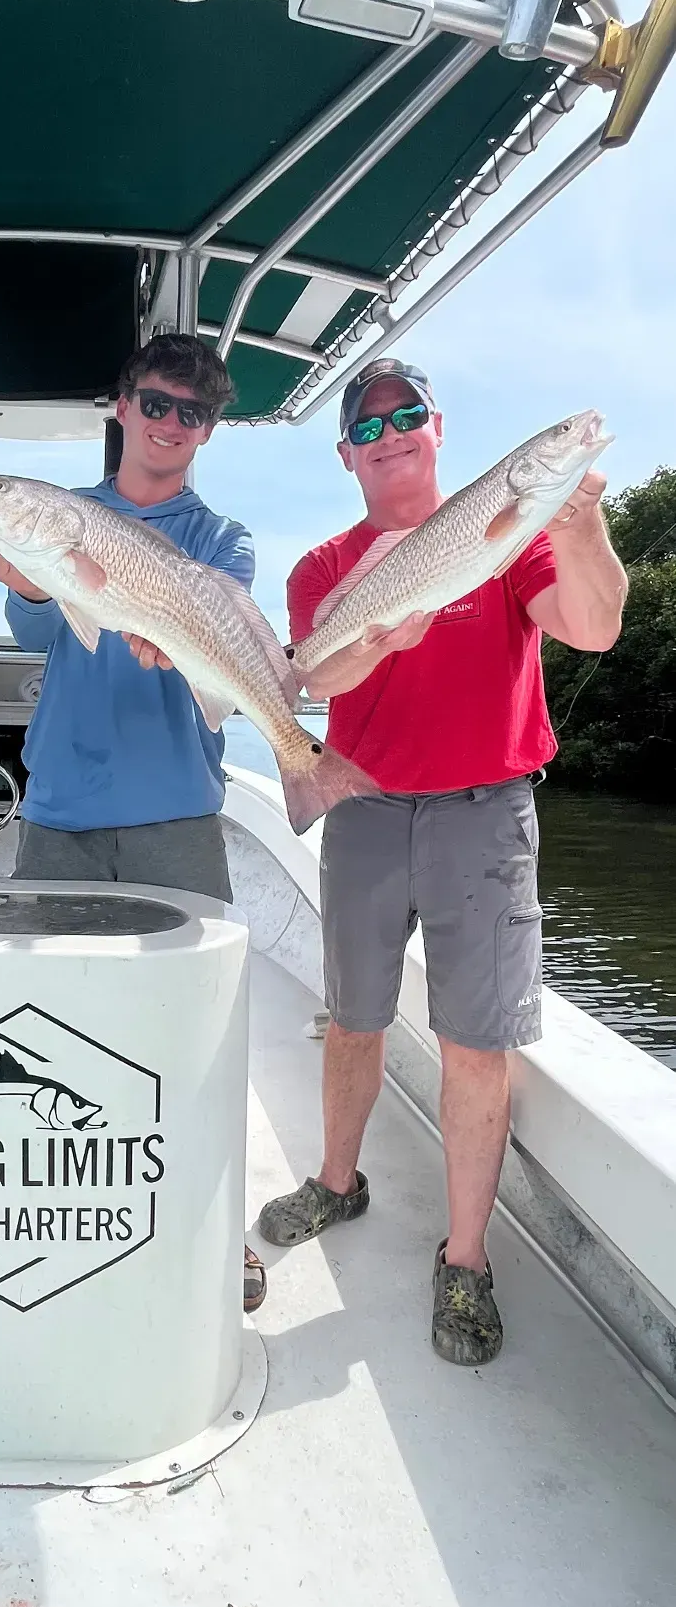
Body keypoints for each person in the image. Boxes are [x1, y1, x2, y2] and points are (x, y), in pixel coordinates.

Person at [257, 357, 628, 1363]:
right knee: (354, 1017)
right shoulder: (323, 565)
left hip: (484, 813)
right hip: (367, 811)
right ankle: (338, 1181)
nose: (390, 433)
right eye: (369, 425)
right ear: (347, 454)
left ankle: (465, 1257)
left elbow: (595, 628)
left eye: (406, 415)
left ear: (439, 428)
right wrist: (383, 636)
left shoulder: (510, 538)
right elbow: (314, 676)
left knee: (476, 1042)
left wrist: (581, 518)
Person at [0, 330, 268, 1310]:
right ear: (124, 405)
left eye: (192, 412)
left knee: (199, 1031)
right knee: (49, 1025)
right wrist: (27, 577)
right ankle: (65, 1207)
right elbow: (36, 627)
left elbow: (225, 623)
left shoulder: (220, 537)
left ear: (208, 428)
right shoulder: (60, 519)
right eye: (156, 402)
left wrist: (194, 646)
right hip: (62, 804)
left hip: (176, 814)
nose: (171, 424)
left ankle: (216, 1220)